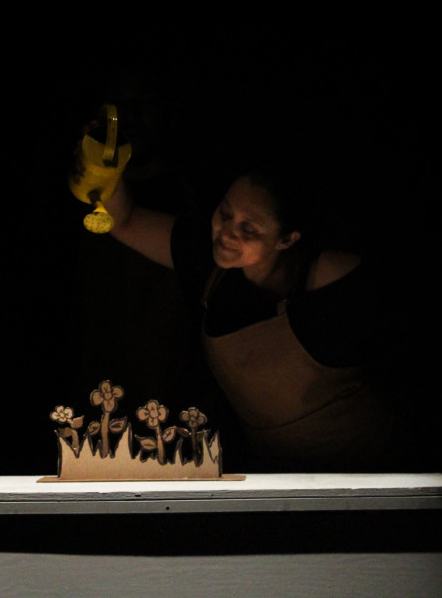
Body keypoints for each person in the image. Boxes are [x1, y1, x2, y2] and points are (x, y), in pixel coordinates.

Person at [89, 143, 423, 473]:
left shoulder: (331, 281)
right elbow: (124, 221)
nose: (227, 233)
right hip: (279, 473)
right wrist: (104, 166)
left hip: (372, 469)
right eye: (225, 214)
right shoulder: (209, 260)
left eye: (248, 229)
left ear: (287, 239)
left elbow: (407, 360)